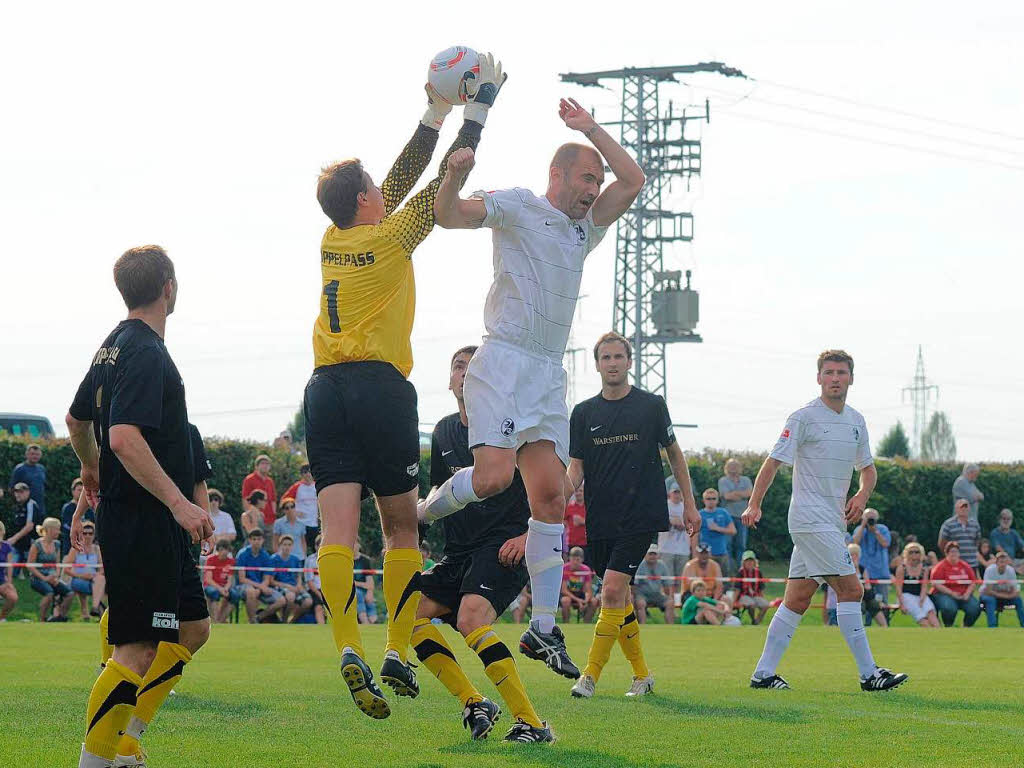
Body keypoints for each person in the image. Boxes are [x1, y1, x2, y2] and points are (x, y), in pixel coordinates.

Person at [303, 57, 505, 720]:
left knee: (336, 528)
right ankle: (393, 646)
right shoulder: (392, 239)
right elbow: (438, 177)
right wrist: (479, 107)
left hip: (324, 387)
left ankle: (344, 647)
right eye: (374, 189)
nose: (382, 192)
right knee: (399, 528)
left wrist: (432, 108)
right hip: (381, 389)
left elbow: (398, 174)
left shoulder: (334, 239)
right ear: (367, 201)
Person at [423, 96, 648, 681]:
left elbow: (635, 179)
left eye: (596, 180)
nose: (594, 188)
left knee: (550, 497)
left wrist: (591, 129)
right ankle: (423, 512)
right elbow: (447, 216)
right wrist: (453, 176)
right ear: (557, 175)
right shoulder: (519, 206)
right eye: (586, 177)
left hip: (548, 373)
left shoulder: (584, 230)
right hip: (503, 362)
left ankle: (544, 630)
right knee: (496, 477)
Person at [65, 245, 215, 768]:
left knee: (193, 631)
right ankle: (96, 760)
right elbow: (125, 437)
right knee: (136, 648)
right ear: (169, 287)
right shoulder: (148, 352)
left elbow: (77, 421)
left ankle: (124, 738)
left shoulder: (112, 345)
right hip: (145, 517)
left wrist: (91, 468)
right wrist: (179, 504)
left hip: (149, 519)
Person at [413, 344, 553, 743]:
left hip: (502, 548)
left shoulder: (513, 429)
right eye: (459, 366)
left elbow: (550, 492)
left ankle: (532, 723)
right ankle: (475, 703)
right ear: (451, 379)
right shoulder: (442, 431)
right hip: (457, 553)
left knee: (470, 618)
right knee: (409, 613)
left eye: (474, 368)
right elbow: (439, 495)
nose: (465, 373)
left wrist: (529, 536)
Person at [743, 350, 906, 692]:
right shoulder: (803, 417)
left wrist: (862, 497)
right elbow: (773, 462)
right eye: (829, 372)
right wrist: (754, 504)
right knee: (851, 588)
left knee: (798, 598)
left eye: (841, 372)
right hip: (808, 519)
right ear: (818, 378)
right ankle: (869, 674)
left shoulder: (856, 421)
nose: (835, 378)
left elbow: (868, 470)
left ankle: (763, 674)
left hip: (832, 522)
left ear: (851, 378)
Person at [564, 332, 700, 700]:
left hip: (641, 515)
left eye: (618, 356)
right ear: (597, 364)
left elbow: (675, 454)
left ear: (629, 361)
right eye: (605, 357)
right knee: (620, 598)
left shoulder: (652, 405)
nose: (612, 363)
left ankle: (589, 675)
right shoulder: (583, 413)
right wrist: (555, 502)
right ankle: (642, 675)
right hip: (601, 519)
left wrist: (689, 504)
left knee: (609, 590)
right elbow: (575, 468)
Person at [234, 529, 286, 623]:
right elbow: (242, 579)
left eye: (259, 539)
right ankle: (252, 621)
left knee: (281, 600)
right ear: (249, 540)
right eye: (254, 539)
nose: (256, 541)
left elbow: (267, 578)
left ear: (263, 540)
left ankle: (259, 618)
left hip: (261, 587)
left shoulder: (266, 556)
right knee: (251, 592)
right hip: (244, 586)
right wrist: (260, 587)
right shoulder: (242, 554)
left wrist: (261, 588)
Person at [28, 517, 71, 622]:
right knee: (49, 593)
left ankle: (59, 617)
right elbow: (30, 565)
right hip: (37, 577)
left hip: (52, 577)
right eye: (57, 529)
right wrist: (44, 578)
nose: (58, 532)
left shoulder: (57, 544)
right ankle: (42, 619)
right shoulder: (36, 545)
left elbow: (57, 564)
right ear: (49, 529)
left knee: (69, 593)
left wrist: (55, 576)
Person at [930, 542, 981, 627]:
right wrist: (951, 593)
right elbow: (936, 584)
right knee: (949, 608)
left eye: (956, 551)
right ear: (946, 553)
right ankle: (949, 626)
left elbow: (973, 582)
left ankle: (966, 626)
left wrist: (967, 594)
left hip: (963, 594)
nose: (954, 554)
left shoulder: (965, 566)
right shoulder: (940, 567)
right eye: (952, 551)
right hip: (944, 594)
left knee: (975, 608)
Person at [64, 520, 106, 620]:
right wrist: (82, 576)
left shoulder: (97, 549)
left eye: (90, 533)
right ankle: (98, 609)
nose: (87, 536)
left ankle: (95, 608)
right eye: (85, 533)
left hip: (93, 579)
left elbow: (102, 568)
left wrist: (94, 575)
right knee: (99, 586)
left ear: (94, 535)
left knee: (100, 579)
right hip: (78, 578)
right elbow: (66, 569)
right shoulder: (75, 549)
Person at [657, 481, 692, 598]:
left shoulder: (686, 506)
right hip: (666, 548)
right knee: (667, 579)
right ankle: (668, 601)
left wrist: (677, 521)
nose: (677, 495)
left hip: (683, 548)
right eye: (675, 492)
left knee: (681, 579)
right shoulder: (664, 505)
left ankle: (677, 601)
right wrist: (673, 521)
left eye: (679, 492)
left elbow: (690, 523)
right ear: (670, 494)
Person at [719, 458, 753, 576]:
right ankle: (728, 571)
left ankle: (740, 571)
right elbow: (727, 496)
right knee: (727, 545)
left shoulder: (746, 480)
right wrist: (741, 494)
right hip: (728, 518)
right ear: (726, 468)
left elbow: (750, 494)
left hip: (743, 516)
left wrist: (735, 493)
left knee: (741, 545)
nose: (733, 468)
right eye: (731, 466)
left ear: (740, 468)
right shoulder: (723, 480)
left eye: (735, 466)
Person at [892, 542, 940, 627]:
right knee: (922, 617)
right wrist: (901, 604)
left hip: (920, 595)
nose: (914, 554)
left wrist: (922, 599)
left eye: (916, 552)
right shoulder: (902, 568)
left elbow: (924, 586)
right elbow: (898, 588)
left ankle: (940, 634)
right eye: (911, 552)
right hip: (906, 596)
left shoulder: (924, 568)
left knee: (931, 613)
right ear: (906, 554)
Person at [851, 508, 892, 605]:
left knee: (882, 602)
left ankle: (884, 619)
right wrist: (863, 525)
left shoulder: (882, 529)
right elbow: (854, 543)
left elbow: (885, 544)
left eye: (872, 518)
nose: (870, 520)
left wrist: (875, 531)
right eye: (867, 518)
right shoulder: (859, 530)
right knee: (863, 602)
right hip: (863, 572)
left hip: (880, 572)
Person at [270, 535, 313, 623]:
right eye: (285, 544)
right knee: (290, 597)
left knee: (308, 601)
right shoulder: (274, 559)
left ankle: (292, 621)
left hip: (294, 587)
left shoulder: (295, 559)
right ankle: (284, 621)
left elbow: (298, 576)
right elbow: (271, 581)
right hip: (280, 586)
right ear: (280, 545)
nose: (287, 547)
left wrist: (299, 585)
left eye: (289, 545)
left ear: (292, 546)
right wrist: (287, 586)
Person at [979, 551, 1024, 627]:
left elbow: (1015, 591)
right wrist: (1006, 595)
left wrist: (1005, 596)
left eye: (1005, 562)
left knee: (1018, 600)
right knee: (990, 600)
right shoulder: (990, 570)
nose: (1003, 564)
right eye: (1001, 562)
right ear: (996, 563)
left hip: (1003, 596)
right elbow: (988, 591)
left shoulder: (1011, 571)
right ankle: (992, 627)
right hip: (988, 595)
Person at [633, 545, 676, 625]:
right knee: (641, 603)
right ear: (645, 555)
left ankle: (670, 627)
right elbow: (635, 585)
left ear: (658, 555)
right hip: (642, 594)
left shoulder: (662, 565)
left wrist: (668, 596)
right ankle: (642, 625)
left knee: (670, 602)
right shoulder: (640, 565)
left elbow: (666, 584)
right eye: (650, 554)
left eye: (654, 554)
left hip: (657, 594)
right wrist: (636, 597)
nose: (652, 556)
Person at [848, 543, 888, 628]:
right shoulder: (846, 569)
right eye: (852, 554)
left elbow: (868, 585)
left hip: (865, 594)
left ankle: (885, 626)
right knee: (860, 605)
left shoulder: (863, 569)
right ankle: (859, 627)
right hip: (852, 595)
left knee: (874, 605)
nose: (854, 557)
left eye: (856, 554)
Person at [938, 499, 982, 573]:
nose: (964, 509)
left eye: (966, 507)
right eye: (961, 507)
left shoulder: (975, 524)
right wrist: (950, 556)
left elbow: (978, 542)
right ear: (956, 509)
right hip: (955, 563)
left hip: (972, 564)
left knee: (972, 584)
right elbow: (942, 543)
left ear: (969, 509)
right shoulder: (948, 524)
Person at [283, 464, 320, 552]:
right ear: (302, 475)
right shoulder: (297, 486)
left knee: (316, 549)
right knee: (300, 549)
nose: (308, 474)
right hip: (300, 523)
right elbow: (284, 500)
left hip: (314, 524)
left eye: (309, 472)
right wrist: (294, 512)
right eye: (305, 472)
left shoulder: (317, 486)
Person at [698, 488, 735, 575]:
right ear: (703, 500)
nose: (711, 501)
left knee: (724, 578)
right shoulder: (700, 514)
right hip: (705, 553)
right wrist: (695, 552)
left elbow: (733, 530)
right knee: (706, 579)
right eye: (708, 499)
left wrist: (718, 528)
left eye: (713, 498)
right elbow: (694, 534)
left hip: (721, 552)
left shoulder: (723, 512)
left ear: (717, 500)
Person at [7, 481, 41, 568]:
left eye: (21, 492)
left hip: (30, 543)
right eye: (16, 492)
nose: (18, 494)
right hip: (19, 544)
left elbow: (29, 526)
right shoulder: (17, 506)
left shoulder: (31, 504)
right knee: (11, 569)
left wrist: (14, 539)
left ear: (28, 492)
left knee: (26, 567)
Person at [560, 546, 598, 623]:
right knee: (565, 601)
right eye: (573, 559)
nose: (575, 562)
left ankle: (586, 623)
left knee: (593, 601)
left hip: (581, 594)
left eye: (578, 559)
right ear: (569, 558)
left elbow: (588, 590)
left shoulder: (586, 570)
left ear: (582, 560)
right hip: (568, 594)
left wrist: (585, 601)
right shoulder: (565, 569)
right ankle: (566, 623)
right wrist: (578, 601)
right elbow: (564, 590)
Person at [203, 539, 236, 624]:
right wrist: (220, 589)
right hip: (212, 586)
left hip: (224, 586)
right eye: (222, 549)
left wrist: (226, 588)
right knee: (214, 593)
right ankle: (215, 620)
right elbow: (208, 579)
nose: (224, 552)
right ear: (218, 550)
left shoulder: (231, 561)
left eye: (226, 549)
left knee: (235, 595)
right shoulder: (211, 559)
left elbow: (230, 579)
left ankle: (221, 620)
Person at [241, 454, 277, 532]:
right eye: (263, 463)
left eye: (267, 464)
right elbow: (245, 499)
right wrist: (250, 517)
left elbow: (273, 500)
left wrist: (274, 515)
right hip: (256, 519)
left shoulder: (270, 481)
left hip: (270, 520)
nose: (265, 466)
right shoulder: (249, 479)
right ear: (256, 466)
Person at [9, 443, 47, 517]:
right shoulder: (20, 469)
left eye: (37, 454)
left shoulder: (41, 469)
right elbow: (11, 488)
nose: (35, 456)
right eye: (32, 454)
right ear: (27, 454)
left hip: (40, 507)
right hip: (25, 509)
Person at [61, 478, 96, 557]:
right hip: (70, 542)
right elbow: (65, 525)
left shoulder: (89, 509)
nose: (81, 493)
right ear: (73, 491)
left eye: (82, 490)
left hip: (87, 543)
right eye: (79, 490)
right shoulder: (68, 507)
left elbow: (93, 524)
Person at [736, 551, 770, 625]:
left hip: (755, 595)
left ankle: (757, 621)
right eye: (747, 560)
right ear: (743, 562)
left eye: (751, 560)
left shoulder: (758, 572)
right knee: (751, 604)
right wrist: (734, 601)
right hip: (743, 596)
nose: (749, 562)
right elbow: (737, 589)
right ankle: (753, 620)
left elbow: (761, 588)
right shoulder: (740, 573)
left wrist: (762, 598)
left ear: (755, 562)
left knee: (766, 605)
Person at [353, 540, 377, 625]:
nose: (353, 546)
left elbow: (370, 582)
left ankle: (373, 621)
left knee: (369, 599)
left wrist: (370, 592)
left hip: (364, 589)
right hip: (352, 591)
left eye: (355, 543)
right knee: (358, 594)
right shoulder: (345, 560)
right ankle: (365, 621)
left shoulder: (365, 560)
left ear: (359, 545)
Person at [305, 534, 326, 625]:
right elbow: (309, 582)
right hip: (315, 590)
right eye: (319, 545)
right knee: (319, 607)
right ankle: (321, 627)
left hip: (328, 589)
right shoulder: (310, 560)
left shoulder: (330, 560)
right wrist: (320, 595)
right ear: (315, 546)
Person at [0, 521, 17, 620]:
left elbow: (9, 566)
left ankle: (2, 618)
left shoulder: (7, 547)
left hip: (2, 580)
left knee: (13, 597)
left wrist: (9, 582)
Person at [564, 485, 587, 551]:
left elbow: (595, 522)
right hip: (572, 543)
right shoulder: (569, 507)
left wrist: (582, 521)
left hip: (586, 543)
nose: (578, 493)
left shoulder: (589, 507)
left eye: (581, 491)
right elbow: (563, 522)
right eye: (576, 491)